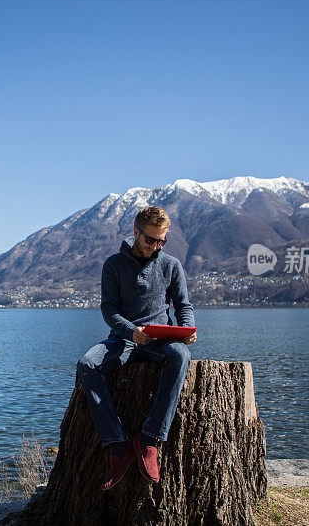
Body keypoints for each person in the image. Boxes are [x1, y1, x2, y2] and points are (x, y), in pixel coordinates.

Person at [76, 206, 196, 491]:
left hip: (159, 341)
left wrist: (188, 329)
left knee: (181, 355)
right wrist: (131, 331)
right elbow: (108, 310)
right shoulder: (113, 265)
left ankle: (150, 439)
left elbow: (183, 306)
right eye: (150, 240)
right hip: (123, 339)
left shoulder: (171, 265)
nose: (155, 246)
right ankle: (117, 444)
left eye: (161, 241)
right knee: (87, 365)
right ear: (135, 232)